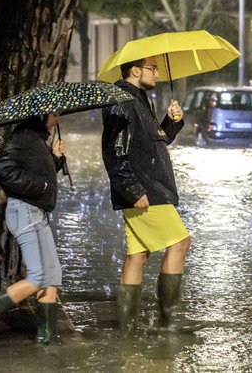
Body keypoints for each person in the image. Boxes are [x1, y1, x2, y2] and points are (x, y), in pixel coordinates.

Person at [101, 55, 202, 333]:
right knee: (181, 242)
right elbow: (114, 149)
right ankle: (169, 320)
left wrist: (170, 122)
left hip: (145, 186)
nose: (157, 73)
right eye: (152, 68)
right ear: (135, 70)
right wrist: (131, 188)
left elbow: (155, 140)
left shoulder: (138, 99)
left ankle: (127, 326)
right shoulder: (122, 100)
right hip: (145, 189)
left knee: (138, 254)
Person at [0, 113, 66, 345]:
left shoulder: (37, 140)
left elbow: (37, 171)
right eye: (54, 114)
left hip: (36, 213)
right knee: (39, 275)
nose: (57, 119)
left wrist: (55, 159)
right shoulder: (23, 137)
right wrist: (38, 185)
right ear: (40, 116)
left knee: (52, 275)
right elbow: (1, 169)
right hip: (25, 212)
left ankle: (47, 338)